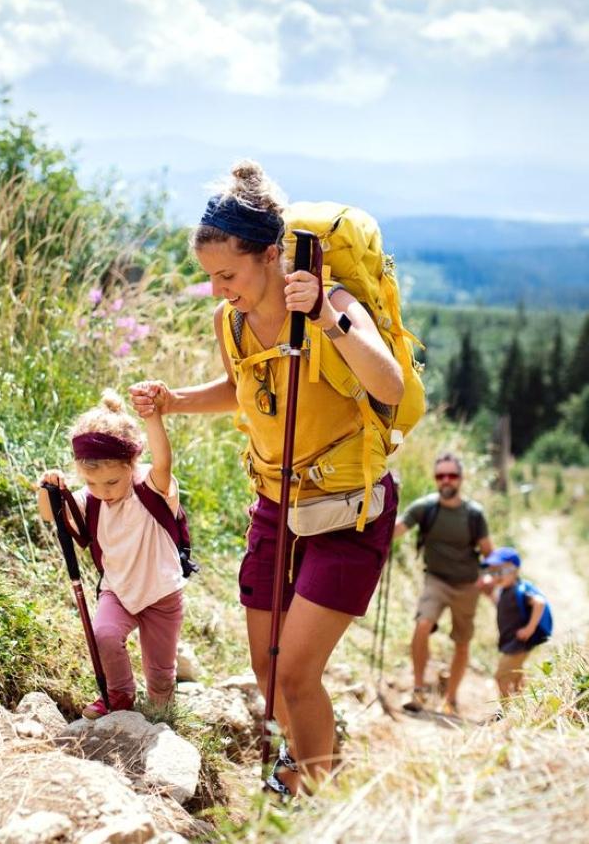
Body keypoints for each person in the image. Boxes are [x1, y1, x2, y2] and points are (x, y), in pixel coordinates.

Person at [128, 160, 403, 797]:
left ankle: (315, 798)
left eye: (228, 274)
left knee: (298, 673)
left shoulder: (332, 303)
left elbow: (386, 383)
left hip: (348, 510)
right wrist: (174, 401)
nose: (220, 289)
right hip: (276, 505)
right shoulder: (231, 319)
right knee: (267, 669)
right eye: (211, 278)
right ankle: (304, 767)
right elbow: (241, 388)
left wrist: (330, 322)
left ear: (272, 254)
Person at [36, 389, 185, 719]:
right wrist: (47, 488)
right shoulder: (91, 500)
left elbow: (163, 460)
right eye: (91, 482)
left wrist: (152, 417)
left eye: (112, 482)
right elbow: (50, 514)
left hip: (161, 593)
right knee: (104, 634)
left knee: (160, 673)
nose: (104, 491)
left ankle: (162, 712)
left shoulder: (150, 486)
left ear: (132, 464)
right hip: (118, 589)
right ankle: (119, 695)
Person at [392, 453, 494, 714]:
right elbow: (398, 528)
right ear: (435, 479)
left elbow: (488, 552)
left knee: (462, 642)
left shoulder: (474, 514)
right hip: (435, 580)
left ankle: (451, 698)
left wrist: (492, 579)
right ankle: (419, 690)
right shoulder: (425, 508)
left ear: (461, 479)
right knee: (422, 624)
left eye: (452, 475)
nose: (446, 480)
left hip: (467, 585)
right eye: (441, 476)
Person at [480, 547, 550, 699]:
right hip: (511, 641)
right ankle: (522, 703)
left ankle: (506, 710)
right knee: (517, 676)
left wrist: (529, 629)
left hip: (519, 643)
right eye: (492, 572)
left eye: (500, 572)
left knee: (501, 677)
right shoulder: (505, 591)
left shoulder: (520, 590)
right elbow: (503, 608)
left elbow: (539, 603)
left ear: (515, 570)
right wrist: (489, 596)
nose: (496, 577)